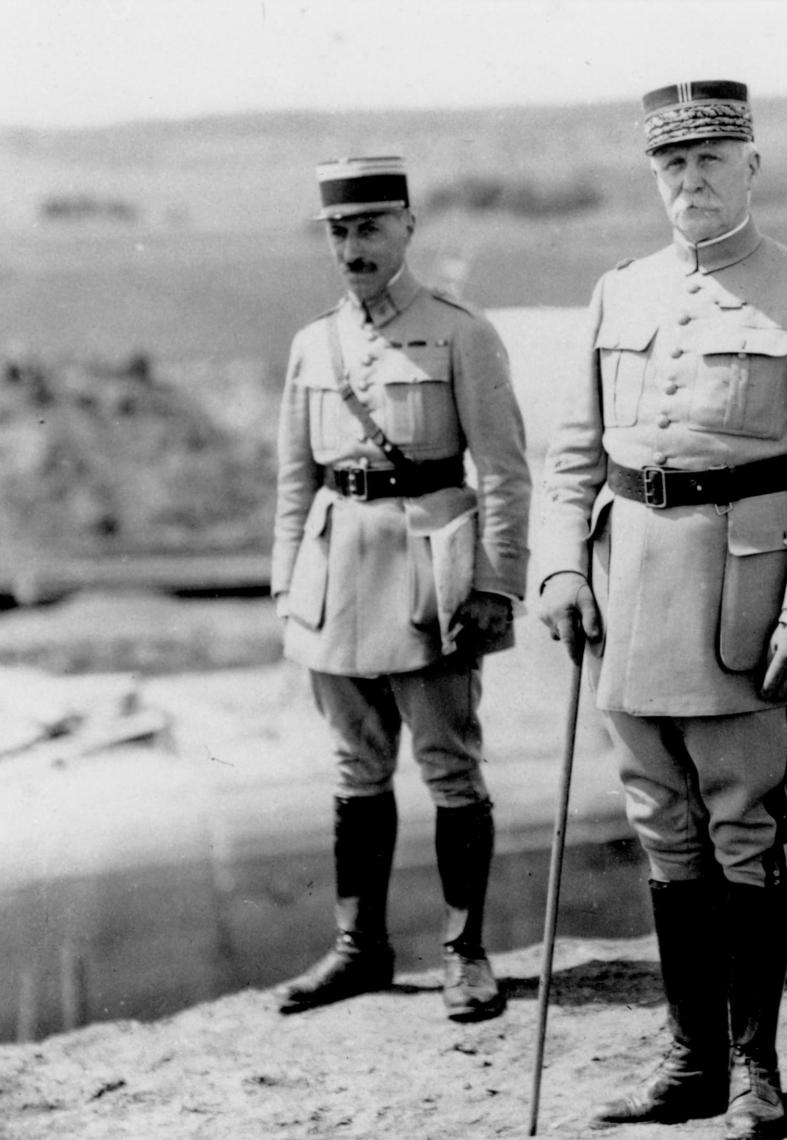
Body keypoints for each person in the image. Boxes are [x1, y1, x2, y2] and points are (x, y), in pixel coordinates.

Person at [535, 80, 787, 1140]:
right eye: (673, 165)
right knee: (660, 822)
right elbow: (573, 456)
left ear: (751, 168)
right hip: (630, 592)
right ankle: (689, 1060)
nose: (691, 182)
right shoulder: (618, 292)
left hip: (745, 599)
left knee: (744, 824)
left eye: (711, 162)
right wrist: (560, 570)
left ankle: (754, 1068)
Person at [270, 155, 532, 1023]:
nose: (354, 248)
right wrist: (287, 589)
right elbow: (295, 480)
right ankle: (360, 949)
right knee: (355, 765)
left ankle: (466, 953)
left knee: (450, 764)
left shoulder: (460, 332)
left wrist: (495, 582)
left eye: (371, 228)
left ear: (408, 228)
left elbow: (504, 471)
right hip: (334, 572)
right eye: (340, 232)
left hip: (429, 574)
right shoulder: (313, 345)